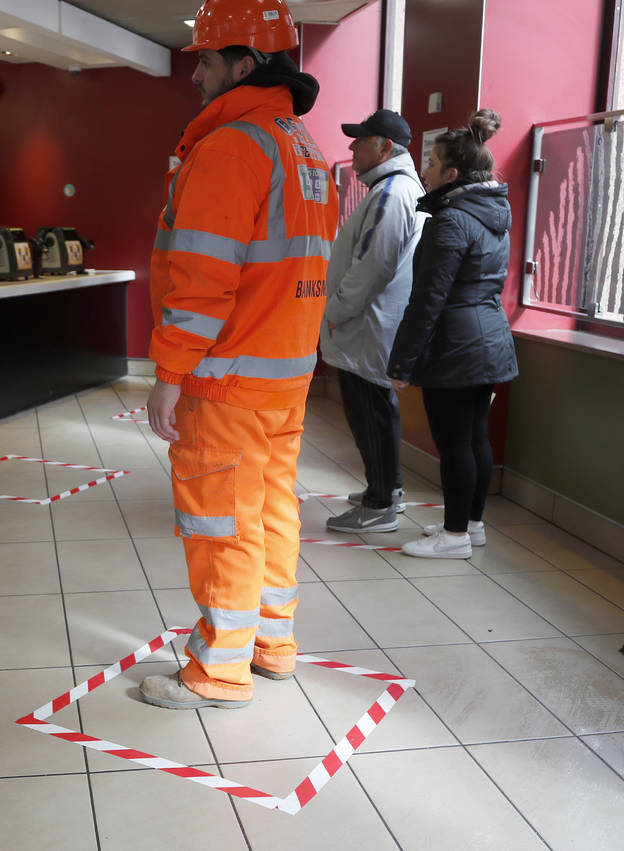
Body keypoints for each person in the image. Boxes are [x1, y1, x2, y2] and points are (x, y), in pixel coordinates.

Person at [139, 0, 337, 710]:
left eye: (205, 59)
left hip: (226, 379)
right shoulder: (304, 147)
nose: (195, 74)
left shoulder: (231, 148)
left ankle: (217, 672)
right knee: (271, 511)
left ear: (243, 64)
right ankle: (271, 645)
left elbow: (202, 278)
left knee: (220, 521)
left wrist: (169, 372)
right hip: (285, 377)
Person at [388, 109, 517, 558]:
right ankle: (472, 525)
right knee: (475, 437)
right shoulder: (493, 211)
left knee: (454, 442)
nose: (423, 171)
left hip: (456, 345)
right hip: (489, 339)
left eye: (430, 163)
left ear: (452, 173)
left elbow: (428, 299)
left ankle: (455, 536)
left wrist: (402, 362)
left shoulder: (450, 221)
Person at [320, 109, 425, 533]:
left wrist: (334, 311)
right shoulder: (392, 188)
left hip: (366, 324)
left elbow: (371, 266)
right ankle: (388, 489)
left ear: (385, 147)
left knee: (371, 411)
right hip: (370, 324)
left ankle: (380, 503)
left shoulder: (391, 193)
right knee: (375, 408)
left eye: (360, 140)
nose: (351, 147)